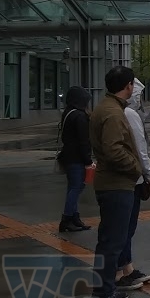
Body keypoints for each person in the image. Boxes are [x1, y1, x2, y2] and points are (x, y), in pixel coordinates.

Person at [88, 65, 142, 298]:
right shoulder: (112, 113)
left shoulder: (108, 108)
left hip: (112, 184)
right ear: (128, 85)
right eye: (132, 84)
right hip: (116, 185)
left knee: (109, 242)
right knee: (112, 243)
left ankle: (104, 291)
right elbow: (114, 150)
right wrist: (136, 169)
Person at [115, 77, 150, 290]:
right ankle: (120, 271)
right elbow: (140, 149)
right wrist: (148, 173)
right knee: (126, 226)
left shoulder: (114, 111)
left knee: (123, 227)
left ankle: (127, 268)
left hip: (123, 178)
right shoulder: (129, 114)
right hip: (132, 178)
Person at [57, 86, 95, 233]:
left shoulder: (68, 112)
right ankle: (67, 219)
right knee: (76, 188)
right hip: (77, 158)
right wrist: (88, 161)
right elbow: (83, 141)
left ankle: (74, 217)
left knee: (72, 187)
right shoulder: (79, 116)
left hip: (68, 156)